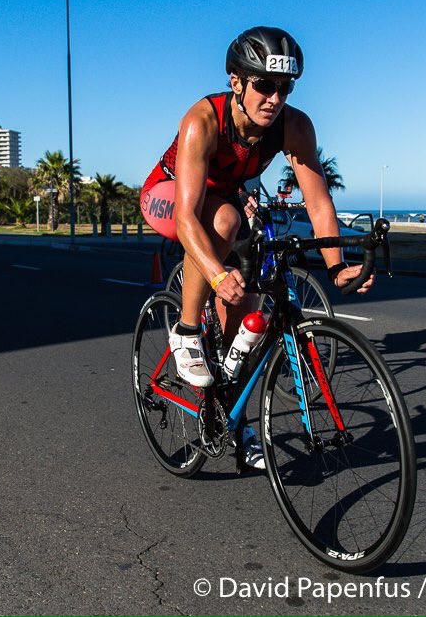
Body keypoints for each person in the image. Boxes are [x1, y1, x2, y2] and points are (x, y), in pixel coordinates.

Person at [139, 26, 376, 467]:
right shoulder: (203, 120)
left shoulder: (295, 126)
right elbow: (189, 217)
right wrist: (212, 272)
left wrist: (336, 266)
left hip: (223, 196)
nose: (274, 98)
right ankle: (188, 331)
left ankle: (232, 416)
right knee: (225, 222)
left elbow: (319, 200)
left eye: (284, 88)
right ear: (237, 82)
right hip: (169, 193)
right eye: (264, 85)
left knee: (244, 313)